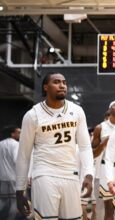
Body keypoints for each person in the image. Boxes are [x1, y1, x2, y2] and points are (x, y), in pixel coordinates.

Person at [15, 72, 94, 219]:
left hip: (71, 174)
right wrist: (19, 191)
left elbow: (84, 147)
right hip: (45, 174)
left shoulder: (76, 111)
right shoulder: (32, 115)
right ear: (46, 87)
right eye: (56, 82)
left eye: (64, 82)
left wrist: (89, 175)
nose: (62, 85)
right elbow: (24, 156)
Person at [92, 100, 115, 220]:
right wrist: (103, 144)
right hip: (106, 169)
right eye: (114, 105)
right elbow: (93, 154)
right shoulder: (100, 128)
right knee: (108, 210)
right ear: (109, 109)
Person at [0, 125, 21, 220]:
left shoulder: (0, 144)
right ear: (12, 134)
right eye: (19, 132)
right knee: (15, 201)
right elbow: (17, 161)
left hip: (2, 177)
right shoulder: (16, 144)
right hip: (13, 177)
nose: (21, 134)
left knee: (3, 200)